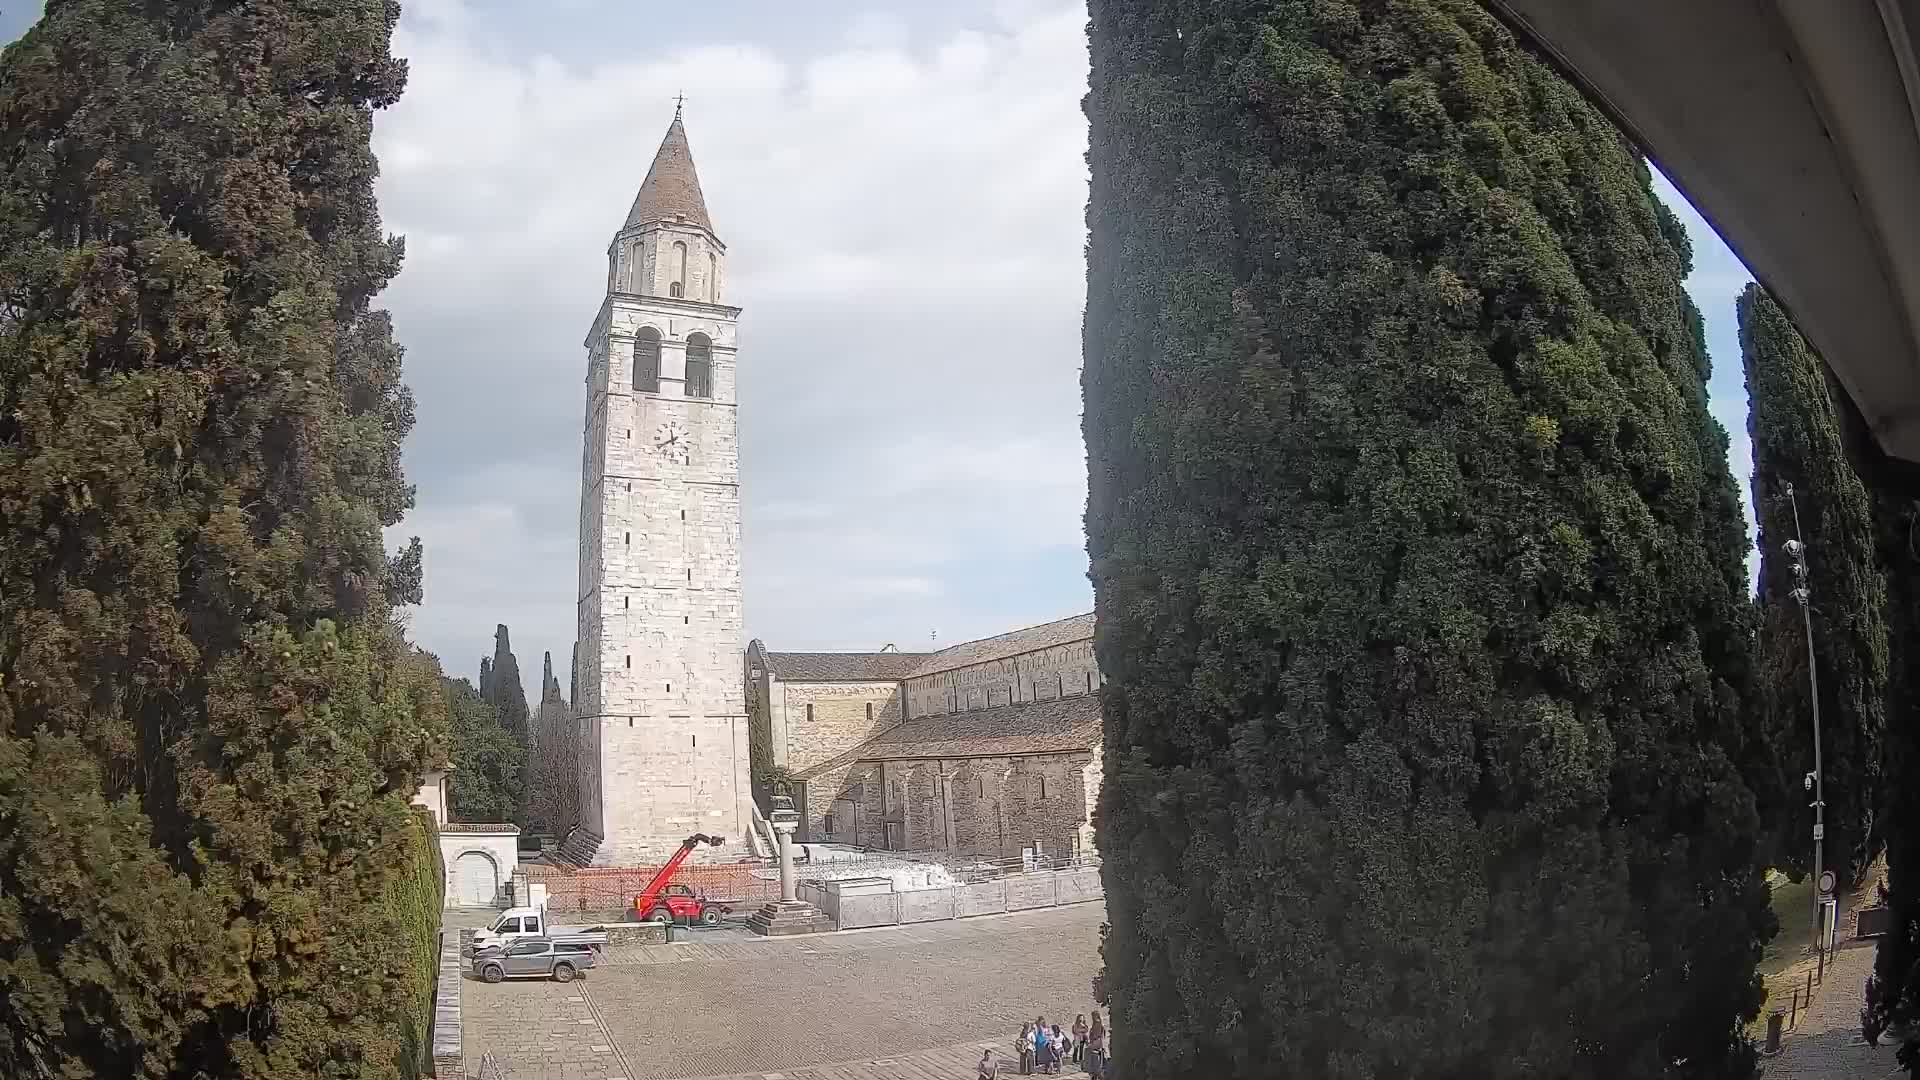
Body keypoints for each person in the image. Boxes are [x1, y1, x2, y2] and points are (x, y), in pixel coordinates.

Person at [1085, 1012, 1106, 1079]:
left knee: (1095, 1064)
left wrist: (1092, 1043)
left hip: (1096, 1044)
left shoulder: (1098, 1024)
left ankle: (1094, 1073)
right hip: (1096, 1044)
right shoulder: (1096, 1024)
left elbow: (1098, 1036)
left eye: (1093, 1016)